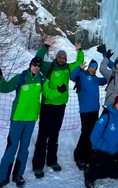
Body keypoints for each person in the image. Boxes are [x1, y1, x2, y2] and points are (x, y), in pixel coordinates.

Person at [0, 57, 63, 188]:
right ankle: (2, 178)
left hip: (30, 120)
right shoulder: (21, 77)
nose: (36, 67)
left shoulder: (42, 80)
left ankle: (18, 175)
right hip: (18, 119)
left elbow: (48, 93)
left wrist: (59, 91)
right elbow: (5, 88)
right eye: (34, 64)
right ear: (30, 65)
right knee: (11, 148)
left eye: (38, 65)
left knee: (24, 149)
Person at [32, 38, 84, 178]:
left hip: (60, 107)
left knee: (54, 135)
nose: (62, 59)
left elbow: (79, 64)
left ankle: (52, 161)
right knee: (43, 135)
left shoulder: (67, 67)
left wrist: (79, 51)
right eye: (60, 56)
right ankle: (38, 165)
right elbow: (38, 58)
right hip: (47, 106)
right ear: (56, 58)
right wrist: (45, 46)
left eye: (64, 57)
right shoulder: (48, 67)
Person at [70, 59, 107, 171]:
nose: (94, 69)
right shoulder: (81, 75)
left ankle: (87, 155)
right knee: (85, 133)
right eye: (92, 67)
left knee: (92, 133)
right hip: (85, 111)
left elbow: (105, 80)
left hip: (94, 110)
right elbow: (72, 76)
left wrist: (112, 72)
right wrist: (79, 68)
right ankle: (79, 156)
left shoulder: (96, 79)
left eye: (95, 68)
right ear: (89, 67)